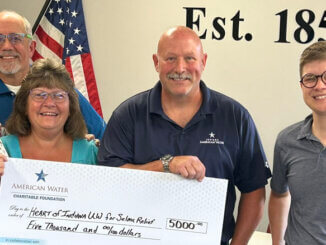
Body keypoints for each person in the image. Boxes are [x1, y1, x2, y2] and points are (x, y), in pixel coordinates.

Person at [97, 26, 272, 244]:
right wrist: (166, 164)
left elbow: (254, 191)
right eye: (170, 58)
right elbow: (108, 182)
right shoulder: (128, 115)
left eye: (190, 58)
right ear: (156, 62)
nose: (180, 68)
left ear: (203, 61)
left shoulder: (235, 117)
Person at [0, 10, 106, 139]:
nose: (6, 47)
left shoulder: (59, 88)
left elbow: (105, 138)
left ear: (31, 48)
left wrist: (84, 145)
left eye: (15, 38)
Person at [0, 58, 97, 179]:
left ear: (71, 106)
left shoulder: (91, 153)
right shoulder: (3, 150)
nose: (50, 103)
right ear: (24, 104)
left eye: (59, 95)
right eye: (39, 95)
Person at [269, 41, 326, 245]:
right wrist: (277, 242)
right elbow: (279, 195)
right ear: (302, 85)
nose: (319, 85)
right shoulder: (287, 141)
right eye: (310, 78)